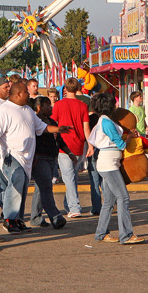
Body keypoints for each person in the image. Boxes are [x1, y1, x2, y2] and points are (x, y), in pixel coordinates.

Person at [0, 81, 70, 234]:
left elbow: (42, 127)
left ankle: (18, 220)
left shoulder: (27, 110)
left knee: (22, 186)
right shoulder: (3, 110)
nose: (29, 95)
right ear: (18, 94)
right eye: (26, 93)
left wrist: (59, 129)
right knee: (17, 181)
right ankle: (9, 219)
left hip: (27, 157)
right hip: (10, 155)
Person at [89, 91, 144, 246]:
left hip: (107, 163)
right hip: (109, 164)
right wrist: (128, 138)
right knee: (123, 197)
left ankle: (101, 233)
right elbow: (120, 144)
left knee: (109, 201)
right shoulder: (107, 122)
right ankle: (126, 235)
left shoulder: (103, 121)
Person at [52, 77, 91, 218]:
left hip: (64, 144)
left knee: (69, 177)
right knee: (72, 176)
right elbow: (86, 127)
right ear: (78, 88)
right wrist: (90, 144)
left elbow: (54, 125)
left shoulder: (58, 105)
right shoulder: (82, 105)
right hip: (79, 144)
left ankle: (74, 207)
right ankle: (69, 204)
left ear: (65, 89)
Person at [29, 95, 69, 229]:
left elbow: (59, 140)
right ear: (39, 108)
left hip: (52, 158)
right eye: (48, 106)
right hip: (40, 159)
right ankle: (55, 217)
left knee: (41, 188)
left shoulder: (52, 122)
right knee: (46, 188)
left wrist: (69, 153)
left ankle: (36, 217)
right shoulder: (35, 123)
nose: (51, 108)